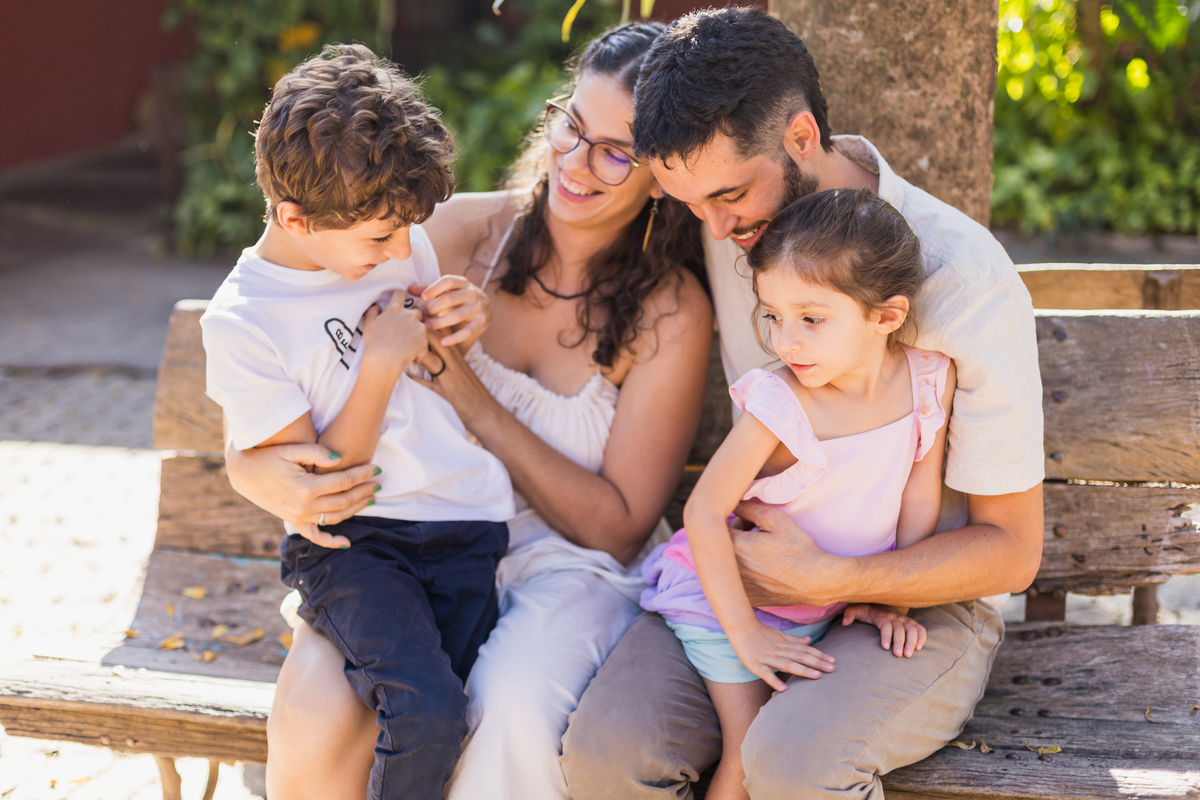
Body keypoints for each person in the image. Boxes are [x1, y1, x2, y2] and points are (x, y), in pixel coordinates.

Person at [560, 8, 1045, 800]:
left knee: (789, 760)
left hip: (915, 596)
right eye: (692, 207)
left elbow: (1012, 551)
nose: (715, 228)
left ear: (801, 138)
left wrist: (839, 575)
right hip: (735, 579)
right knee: (611, 752)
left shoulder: (959, 282)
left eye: (728, 197)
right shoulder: (731, 219)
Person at [221, 23, 713, 800]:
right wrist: (250, 469)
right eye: (572, 126)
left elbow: (618, 527)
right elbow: (289, 341)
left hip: (566, 565)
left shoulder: (669, 311)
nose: (577, 164)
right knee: (319, 708)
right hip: (403, 540)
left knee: (506, 705)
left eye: (616, 151)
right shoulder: (442, 234)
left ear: (664, 174)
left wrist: (468, 394)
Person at [199, 44, 517, 800]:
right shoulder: (246, 321)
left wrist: (464, 316)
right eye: (382, 239)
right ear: (294, 218)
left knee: (470, 718)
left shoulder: (391, 233)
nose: (403, 251)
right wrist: (377, 363)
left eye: (409, 230)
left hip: (468, 526)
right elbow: (329, 487)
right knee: (427, 713)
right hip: (360, 544)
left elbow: (432, 368)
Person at [640, 189, 955, 800]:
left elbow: (919, 495)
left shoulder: (926, 379)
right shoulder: (779, 400)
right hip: (725, 603)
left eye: (811, 319)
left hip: (824, 602)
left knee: (786, 752)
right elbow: (703, 509)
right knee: (748, 751)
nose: (786, 342)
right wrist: (745, 634)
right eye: (772, 315)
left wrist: (895, 600)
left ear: (886, 317)